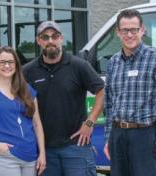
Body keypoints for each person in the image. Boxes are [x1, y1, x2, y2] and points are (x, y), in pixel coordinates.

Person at [23, 20, 104, 176]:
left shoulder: (79, 66)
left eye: (55, 36)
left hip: (76, 147)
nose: (50, 41)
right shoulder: (27, 71)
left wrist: (90, 122)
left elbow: (102, 91)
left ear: (61, 38)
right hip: (44, 150)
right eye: (45, 37)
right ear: (38, 41)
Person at [103, 9, 156, 176]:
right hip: (118, 135)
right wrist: (108, 138)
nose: (129, 35)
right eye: (125, 30)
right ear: (118, 32)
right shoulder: (113, 62)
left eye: (134, 30)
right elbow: (109, 104)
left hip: (145, 135)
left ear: (142, 30)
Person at [0, 46, 46, 176]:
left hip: (30, 156)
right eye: (2, 62)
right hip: (3, 155)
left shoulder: (27, 90)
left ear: (16, 65)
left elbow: (37, 124)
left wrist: (42, 153)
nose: (7, 66)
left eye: (11, 62)